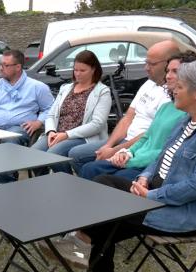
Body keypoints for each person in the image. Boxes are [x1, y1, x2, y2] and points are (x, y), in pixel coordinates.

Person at [74, 58, 196, 272]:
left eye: (181, 84)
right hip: (157, 193)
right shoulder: (185, 120)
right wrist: (145, 177)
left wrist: (151, 195)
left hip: (183, 211)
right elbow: (160, 158)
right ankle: (90, 257)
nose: (174, 88)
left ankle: (90, 259)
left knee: (106, 211)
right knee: (103, 183)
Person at [80, 51, 196, 181]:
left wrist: (129, 160)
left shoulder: (188, 112)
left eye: (175, 71)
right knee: (89, 169)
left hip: (151, 166)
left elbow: (166, 151)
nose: (168, 76)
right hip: (135, 157)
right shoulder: (166, 106)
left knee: (111, 179)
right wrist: (126, 153)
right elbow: (147, 136)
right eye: (168, 71)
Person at [68, 40, 181, 175]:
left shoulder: (172, 96)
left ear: (167, 63)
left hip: (139, 146)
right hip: (126, 141)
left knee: (80, 158)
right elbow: (128, 117)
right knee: (77, 156)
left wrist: (116, 151)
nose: (146, 67)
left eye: (152, 64)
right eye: (146, 62)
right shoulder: (148, 84)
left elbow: (150, 135)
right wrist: (109, 145)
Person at [0, 49, 53, 183]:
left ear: (18, 67)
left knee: (9, 139)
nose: (1, 68)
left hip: (19, 129)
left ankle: (7, 182)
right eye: (0, 64)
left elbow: (51, 109)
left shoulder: (37, 87)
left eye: (5, 65)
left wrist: (39, 122)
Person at [31, 50, 111, 174]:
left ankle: (68, 182)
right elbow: (51, 114)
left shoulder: (102, 91)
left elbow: (97, 124)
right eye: (75, 70)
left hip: (82, 136)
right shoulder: (66, 88)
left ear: (93, 69)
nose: (78, 74)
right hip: (57, 133)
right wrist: (51, 131)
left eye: (82, 70)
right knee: (33, 153)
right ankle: (45, 183)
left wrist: (67, 135)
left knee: (54, 154)